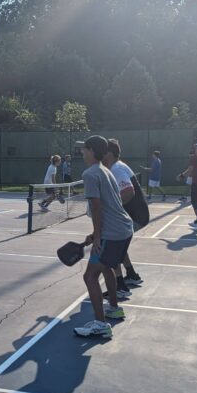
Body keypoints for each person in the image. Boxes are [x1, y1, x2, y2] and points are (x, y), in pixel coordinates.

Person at [73, 135, 134, 338]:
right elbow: (112, 205)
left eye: (84, 149)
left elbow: (97, 206)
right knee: (107, 268)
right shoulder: (106, 171)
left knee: (90, 276)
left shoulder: (90, 174)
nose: (82, 152)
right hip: (124, 229)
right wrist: (96, 233)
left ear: (91, 151)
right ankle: (114, 308)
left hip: (112, 233)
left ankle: (101, 324)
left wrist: (98, 236)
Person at [102, 139, 145, 298]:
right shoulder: (118, 166)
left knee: (114, 245)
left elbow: (128, 191)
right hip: (136, 214)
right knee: (120, 246)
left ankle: (119, 285)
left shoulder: (117, 168)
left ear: (110, 154)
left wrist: (112, 208)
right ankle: (132, 275)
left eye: (103, 152)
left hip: (134, 215)